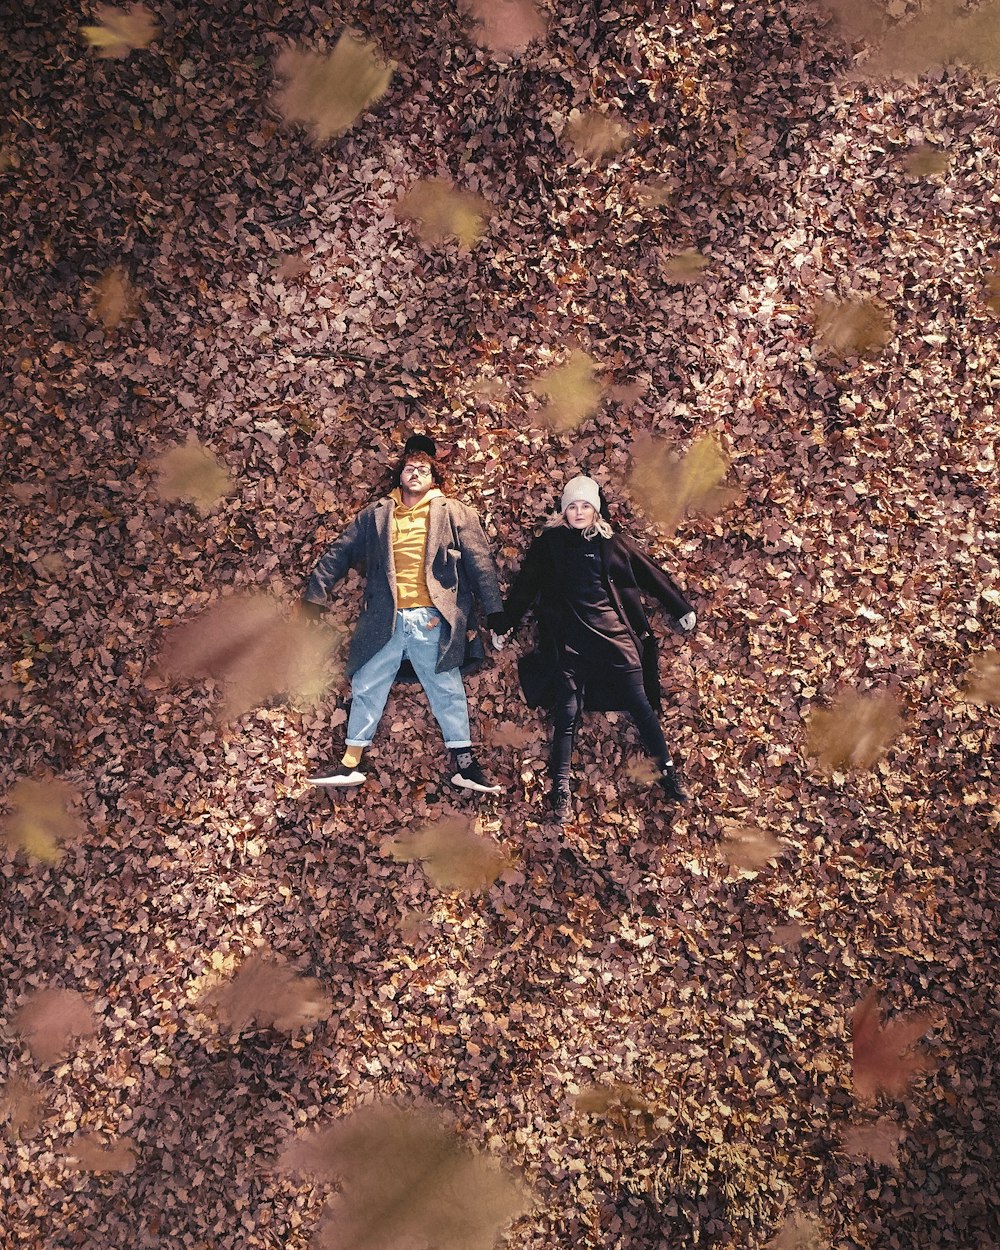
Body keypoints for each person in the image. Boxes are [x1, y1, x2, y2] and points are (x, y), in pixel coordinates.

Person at [301, 433, 507, 793]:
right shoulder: (378, 513)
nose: (415, 473)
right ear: (399, 474)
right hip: (386, 618)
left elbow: (480, 563)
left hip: (432, 618)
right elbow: (340, 552)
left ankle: (465, 765)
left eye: (423, 469)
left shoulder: (453, 511)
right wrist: (314, 595)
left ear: (434, 478)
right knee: (367, 684)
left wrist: (495, 610)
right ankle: (351, 764)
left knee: (447, 688)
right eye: (410, 468)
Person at [494, 474, 697, 821]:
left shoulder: (614, 544)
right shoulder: (550, 545)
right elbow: (526, 585)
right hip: (569, 645)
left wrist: (681, 607)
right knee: (567, 715)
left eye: (585, 505)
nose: (578, 511)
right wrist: (506, 622)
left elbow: (651, 574)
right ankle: (560, 789)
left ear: (596, 510)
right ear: (564, 511)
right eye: (572, 506)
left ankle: (668, 773)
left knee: (641, 705)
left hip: (615, 640)